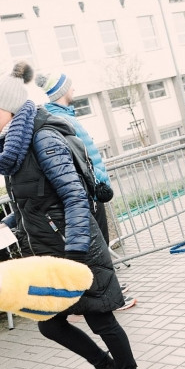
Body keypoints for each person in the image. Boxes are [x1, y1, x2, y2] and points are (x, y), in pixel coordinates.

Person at [0, 62, 146, 369]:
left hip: (76, 247)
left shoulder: (41, 137)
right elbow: (33, 201)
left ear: (9, 106)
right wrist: (6, 224)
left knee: (101, 319)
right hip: (50, 251)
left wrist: (74, 253)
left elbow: (73, 197)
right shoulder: (14, 144)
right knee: (50, 323)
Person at [37, 70, 135, 311]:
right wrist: (98, 186)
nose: (74, 90)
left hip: (89, 192)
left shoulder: (62, 117)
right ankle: (110, 300)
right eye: (70, 87)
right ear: (61, 91)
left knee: (100, 248)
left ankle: (109, 292)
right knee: (98, 250)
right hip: (89, 194)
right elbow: (82, 160)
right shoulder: (63, 122)